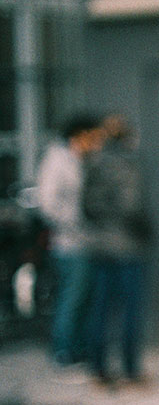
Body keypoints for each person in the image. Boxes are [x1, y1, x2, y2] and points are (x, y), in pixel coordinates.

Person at [83, 114, 150, 384]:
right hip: (128, 247)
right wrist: (146, 230)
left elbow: (87, 206)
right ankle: (130, 369)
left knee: (99, 309)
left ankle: (98, 368)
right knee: (129, 312)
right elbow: (132, 206)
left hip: (100, 247)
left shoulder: (93, 164)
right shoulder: (128, 165)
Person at [37, 115, 103, 367]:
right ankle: (64, 352)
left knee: (84, 299)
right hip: (69, 244)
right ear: (80, 135)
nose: (96, 143)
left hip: (86, 242)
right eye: (93, 137)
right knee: (72, 300)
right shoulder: (57, 160)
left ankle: (79, 349)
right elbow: (48, 203)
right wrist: (74, 224)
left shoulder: (81, 160)